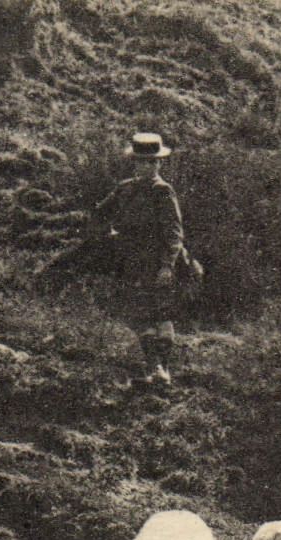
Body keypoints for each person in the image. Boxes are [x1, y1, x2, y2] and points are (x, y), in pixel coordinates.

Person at [88, 132, 190, 387]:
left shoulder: (163, 192)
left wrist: (167, 266)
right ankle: (152, 369)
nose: (148, 166)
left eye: (152, 162)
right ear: (134, 163)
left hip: (157, 263)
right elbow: (99, 214)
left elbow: (174, 233)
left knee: (161, 314)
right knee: (139, 316)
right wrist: (107, 233)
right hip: (131, 262)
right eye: (142, 161)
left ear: (159, 164)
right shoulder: (124, 189)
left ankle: (162, 369)